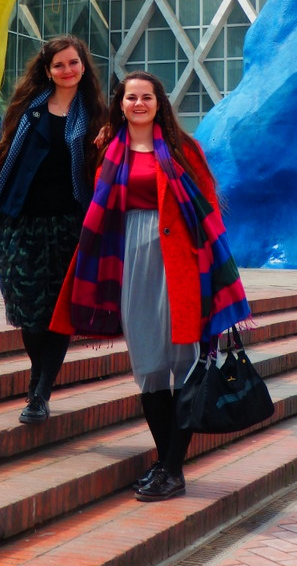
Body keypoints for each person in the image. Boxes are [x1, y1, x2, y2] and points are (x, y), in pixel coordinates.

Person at [51, 71, 252, 502]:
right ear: (120, 105)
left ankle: (172, 469)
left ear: (159, 103)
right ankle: (165, 463)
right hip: (129, 262)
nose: (139, 104)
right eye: (131, 98)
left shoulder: (183, 149)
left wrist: (212, 270)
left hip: (180, 264)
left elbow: (208, 209)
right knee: (148, 368)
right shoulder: (109, 151)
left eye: (146, 97)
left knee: (185, 362)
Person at [0, 35, 107, 425]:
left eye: (73, 63)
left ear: (83, 66)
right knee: (28, 310)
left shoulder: (97, 115)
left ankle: (40, 393)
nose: (67, 70)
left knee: (59, 311)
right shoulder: (27, 109)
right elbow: (3, 157)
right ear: (48, 70)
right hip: (22, 221)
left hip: (71, 225)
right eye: (59, 65)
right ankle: (39, 376)